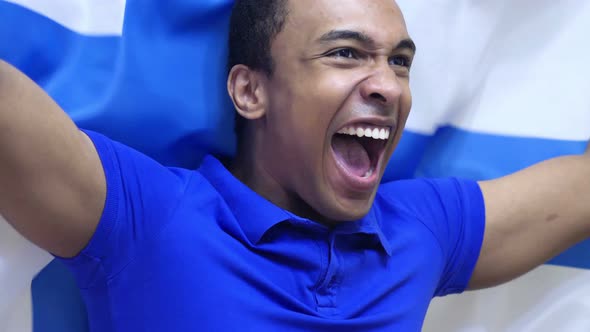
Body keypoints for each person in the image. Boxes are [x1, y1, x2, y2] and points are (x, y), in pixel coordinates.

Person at [0, 0, 588, 331]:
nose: (389, 84)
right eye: (345, 53)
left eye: (401, 62)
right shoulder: (150, 218)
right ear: (250, 92)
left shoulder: (424, 227)